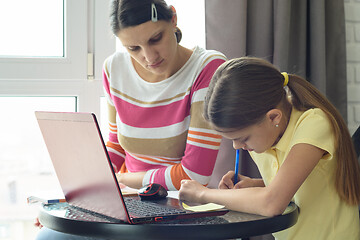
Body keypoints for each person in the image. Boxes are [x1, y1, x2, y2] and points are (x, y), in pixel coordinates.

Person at [35, 0, 230, 238]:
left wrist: (120, 180)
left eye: (155, 38)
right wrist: (75, 199)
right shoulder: (114, 68)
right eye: (133, 48)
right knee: (50, 235)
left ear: (173, 20)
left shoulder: (208, 68)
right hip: (127, 202)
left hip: (179, 206)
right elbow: (116, 146)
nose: (148, 56)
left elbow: (193, 175)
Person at [179, 57, 360, 239]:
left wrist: (203, 194)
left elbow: (272, 203)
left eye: (243, 138)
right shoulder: (266, 136)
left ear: (273, 117)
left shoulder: (314, 123)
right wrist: (256, 185)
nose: (238, 147)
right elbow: (302, 184)